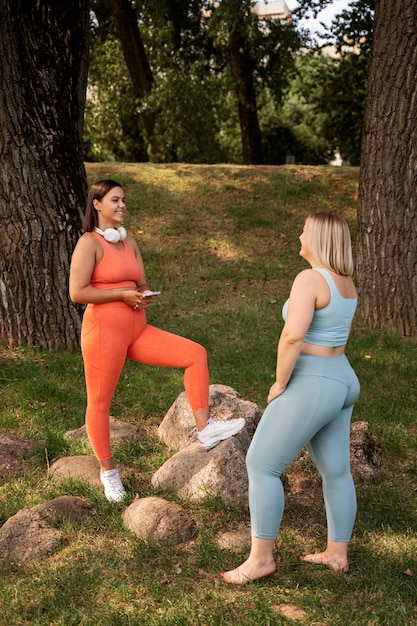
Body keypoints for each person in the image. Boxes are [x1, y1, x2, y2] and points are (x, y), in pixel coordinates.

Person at [69, 179, 245, 502]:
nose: (122, 205)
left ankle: (205, 431)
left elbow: (142, 282)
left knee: (195, 354)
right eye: (115, 200)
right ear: (97, 205)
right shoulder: (89, 243)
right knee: (100, 402)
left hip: (137, 329)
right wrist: (121, 294)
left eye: (123, 200)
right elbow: (77, 292)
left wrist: (142, 294)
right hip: (104, 334)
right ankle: (109, 474)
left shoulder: (129, 243)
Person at [221, 212, 360, 583]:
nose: (299, 234)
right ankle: (337, 552)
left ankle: (261, 559)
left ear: (316, 238)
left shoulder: (310, 279)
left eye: (303, 230)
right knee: (336, 470)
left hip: (314, 380)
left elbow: (292, 337)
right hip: (342, 378)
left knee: (262, 464)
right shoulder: (345, 282)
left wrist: (280, 383)